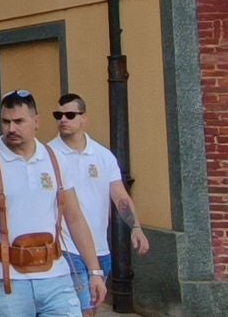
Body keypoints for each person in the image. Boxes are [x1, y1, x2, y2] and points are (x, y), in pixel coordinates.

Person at [0, 89, 107, 316]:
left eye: (19, 121)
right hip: (7, 280)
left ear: (36, 122)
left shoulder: (55, 159)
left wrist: (94, 271)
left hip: (56, 276)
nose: (11, 129)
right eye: (6, 122)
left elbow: (75, 218)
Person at [49, 93, 150, 316]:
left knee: (91, 308)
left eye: (70, 115)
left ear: (84, 119)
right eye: (58, 115)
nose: (63, 119)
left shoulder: (103, 156)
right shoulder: (48, 155)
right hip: (66, 248)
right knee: (80, 310)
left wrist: (136, 227)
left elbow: (120, 196)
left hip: (100, 250)